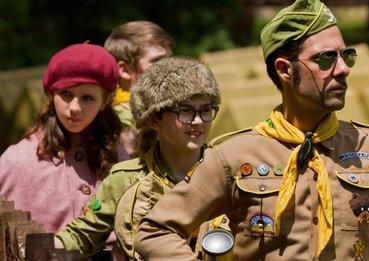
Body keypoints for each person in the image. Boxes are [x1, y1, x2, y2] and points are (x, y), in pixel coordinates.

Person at [134, 0, 369, 260]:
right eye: (325, 58)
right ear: (285, 70)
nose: (343, 69)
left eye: (346, 56)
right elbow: (156, 230)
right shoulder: (233, 156)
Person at [55, 56, 222, 260]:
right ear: (153, 120)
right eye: (185, 112)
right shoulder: (126, 180)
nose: (197, 121)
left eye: (206, 110)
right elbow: (82, 235)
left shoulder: (228, 171)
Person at [0, 43, 128, 234]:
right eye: (66, 94)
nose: (75, 107)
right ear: (51, 94)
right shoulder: (17, 161)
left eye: (88, 98)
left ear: (106, 101)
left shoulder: (120, 157)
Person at [105, 20, 173, 155]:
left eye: (170, 59)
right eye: (158, 61)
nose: (171, 68)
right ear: (125, 70)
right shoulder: (108, 122)